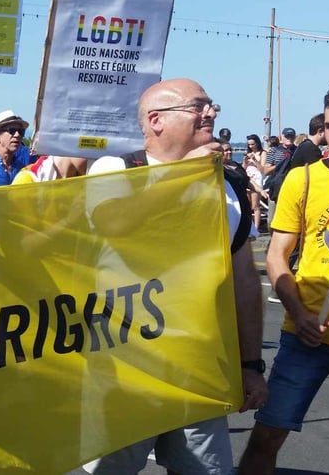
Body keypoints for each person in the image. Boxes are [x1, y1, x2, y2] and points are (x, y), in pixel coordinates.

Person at [84, 78, 267, 474]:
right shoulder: (116, 169)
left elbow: (245, 283)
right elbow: (116, 228)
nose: (211, 113)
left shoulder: (228, 183)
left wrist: (251, 363)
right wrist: (182, 175)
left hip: (198, 369)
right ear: (156, 121)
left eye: (211, 105)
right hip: (126, 370)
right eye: (197, 106)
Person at [237, 90, 329, 474]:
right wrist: (298, 312)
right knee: (267, 436)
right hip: (307, 333)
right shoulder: (303, 179)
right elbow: (276, 257)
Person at [244, 134, 267, 232]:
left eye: (252, 144)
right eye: (249, 144)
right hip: (248, 178)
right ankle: (250, 227)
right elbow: (243, 168)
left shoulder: (262, 153)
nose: (251, 146)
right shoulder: (247, 153)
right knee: (248, 206)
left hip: (257, 179)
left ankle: (256, 228)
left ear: (257, 143)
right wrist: (245, 161)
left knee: (255, 206)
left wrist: (254, 160)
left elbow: (262, 169)